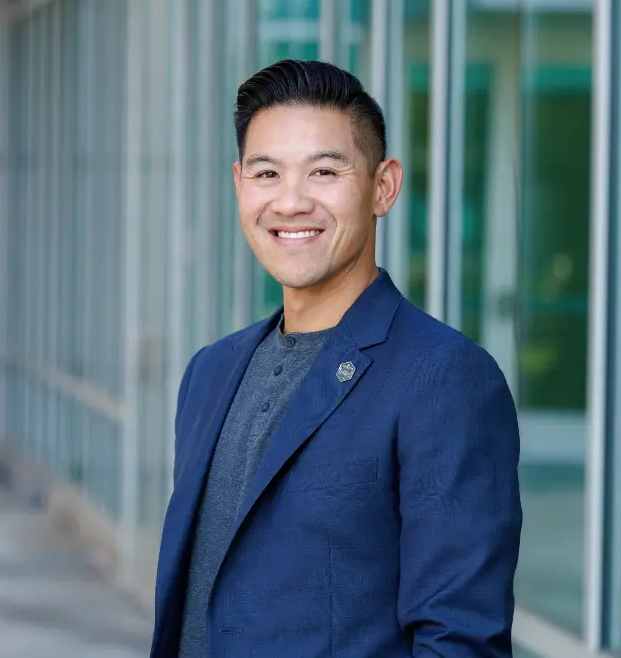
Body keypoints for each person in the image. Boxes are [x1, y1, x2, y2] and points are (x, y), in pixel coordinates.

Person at [150, 59, 522, 658]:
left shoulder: (444, 377)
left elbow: (460, 639)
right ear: (239, 183)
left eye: (324, 171)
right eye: (267, 173)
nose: (291, 202)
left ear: (383, 187)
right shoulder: (210, 372)